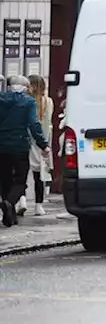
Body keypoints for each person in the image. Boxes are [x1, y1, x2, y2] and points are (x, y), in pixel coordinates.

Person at [0, 75, 49, 227]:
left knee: (5, 180)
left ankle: (10, 216)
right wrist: (43, 145)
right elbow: (34, 124)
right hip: (20, 146)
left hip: (1, 146)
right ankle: (9, 203)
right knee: (20, 180)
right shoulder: (29, 102)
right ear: (24, 88)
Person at [20, 75, 53, 217]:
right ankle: (39, 206)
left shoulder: (25, 102)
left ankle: (22, 201)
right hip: (42, 143)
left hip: (26, 141)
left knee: (21, 174)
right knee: (39, 175)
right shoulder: (49, 102)